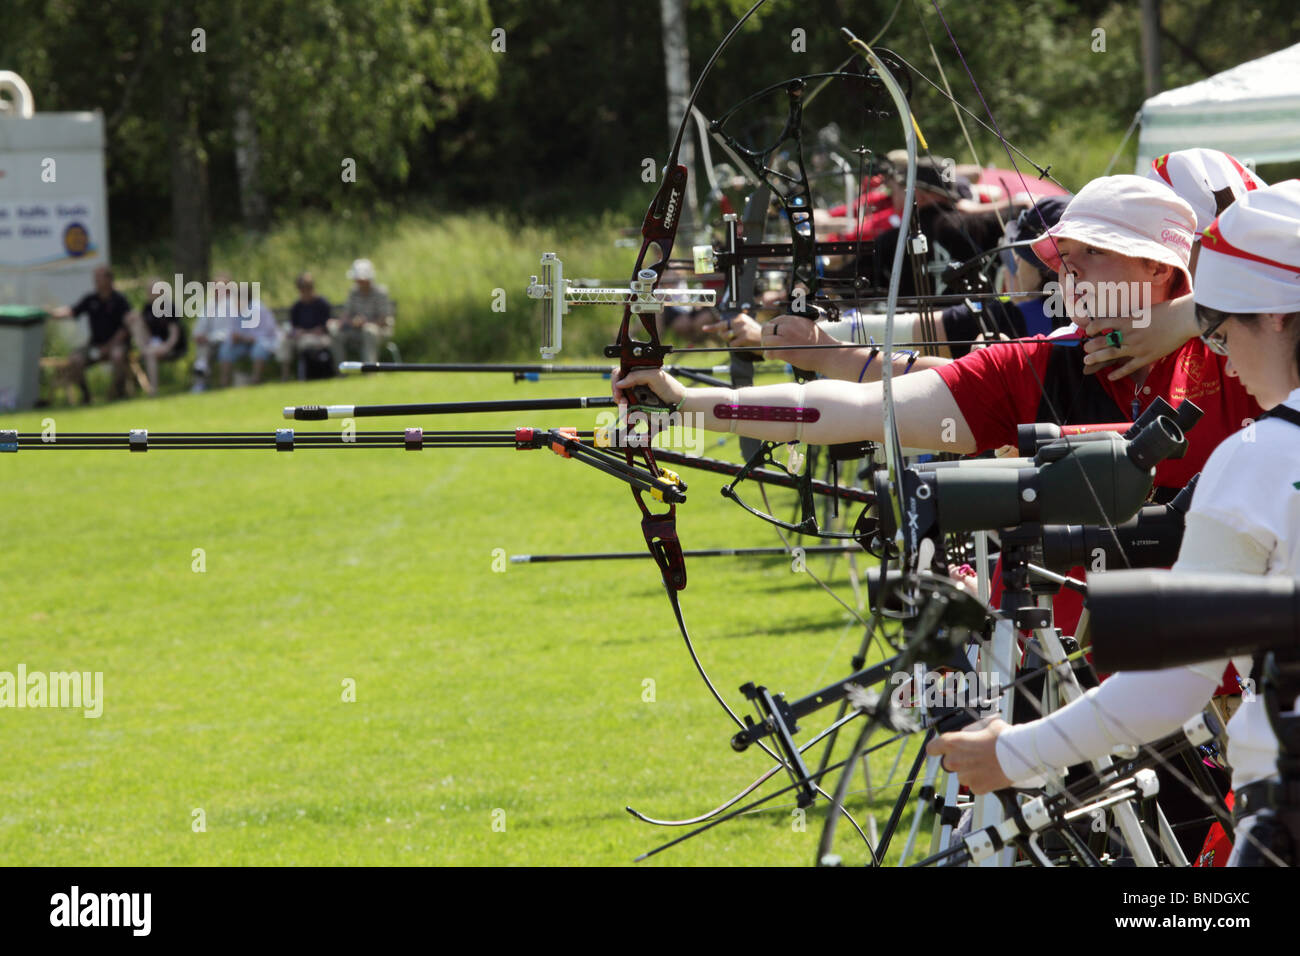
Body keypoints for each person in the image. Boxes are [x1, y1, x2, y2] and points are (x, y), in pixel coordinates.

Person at [924, 179, 1300, 867]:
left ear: (1274, 317)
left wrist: (1010, 752)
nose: (1211, 341)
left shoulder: (1259, 459)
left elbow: (1175, 677)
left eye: (1214, 320)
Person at [49, 265, 130, 404]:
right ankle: (86, 395)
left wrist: (109, 347)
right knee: (75, 359)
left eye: (99, 278)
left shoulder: (120, 300)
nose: (96, 281)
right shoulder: (91, 299)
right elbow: (72, 310)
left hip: (115, 345)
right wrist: (51, 313)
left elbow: (125, 329)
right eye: (95, 278)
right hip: (95, 345)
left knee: (118, 356)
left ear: (109, 279)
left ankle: (117, 393)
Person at [132, 276, 187, 396]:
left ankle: (153, 391)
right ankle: (129, 391)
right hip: (153, 344)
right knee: (137, 324)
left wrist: (165, 348)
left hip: (171, 347)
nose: (151, 293)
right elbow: (144, 328)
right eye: (149, 290)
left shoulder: (170, 307)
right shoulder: (147, 308)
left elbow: (174, 334)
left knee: (151, 354)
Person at [332, 258, 393, 365]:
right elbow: (346, 314)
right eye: (357, 279)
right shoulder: (353, 292)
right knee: (335, 332)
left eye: (361, 279)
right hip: (355, 330)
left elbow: (384, 319)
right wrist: (350, 322)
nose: (359, 282)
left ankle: (369, 369)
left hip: (378, 330)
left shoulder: (381, 292)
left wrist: (366, 323)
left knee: (368, 330)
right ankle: (341, 371)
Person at [283, 272, 332, 380]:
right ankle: (285, 376)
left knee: (306, 342)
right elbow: (294, 326)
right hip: (301, 336)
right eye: (302, 288)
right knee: (285, 343)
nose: (305, 290)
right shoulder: (297, 306)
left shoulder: (322, 303)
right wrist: (296, 332)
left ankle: (305, 375)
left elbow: (324, 326)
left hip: (319, 337)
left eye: (307, 287)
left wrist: (309, 332)